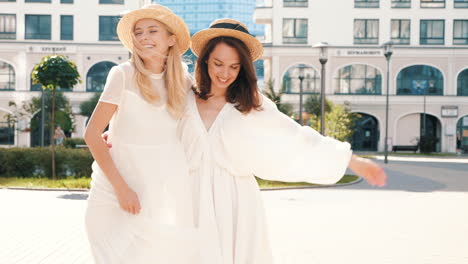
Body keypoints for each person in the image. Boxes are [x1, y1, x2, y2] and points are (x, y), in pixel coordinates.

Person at [177, 19, 388, 263]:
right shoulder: (184, 98)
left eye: (234, 67)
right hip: (188, 197)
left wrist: (353, 161)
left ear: (242, 69)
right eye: (218, 64)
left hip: (235, 201)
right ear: (204, 61)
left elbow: (296, 137)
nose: (225, 73)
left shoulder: (251, 104)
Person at [84, 4, 198, 264]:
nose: (143, 37)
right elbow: (92, 134)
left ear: (171, 39)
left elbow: (195, 132)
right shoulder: (123, 74)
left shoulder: (185, 81)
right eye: (138, 33)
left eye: (152, 31)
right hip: (112, 192)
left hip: (154, 196)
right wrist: (123, 190)